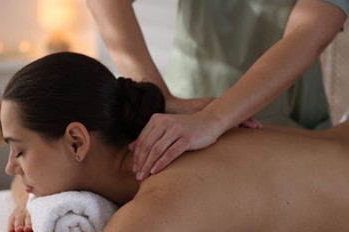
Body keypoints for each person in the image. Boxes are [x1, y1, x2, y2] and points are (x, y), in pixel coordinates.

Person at [0, 52, 349, 232]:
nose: (10, 167)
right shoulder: (173, 143)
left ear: (77, 142)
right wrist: (27, 200)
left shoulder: (163, 203)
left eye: (20, 150)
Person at [86, 0, 349, 181]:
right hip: (181, 114)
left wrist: (214, 120)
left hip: (287, 129)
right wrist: (161, 97)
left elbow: (310, 30)